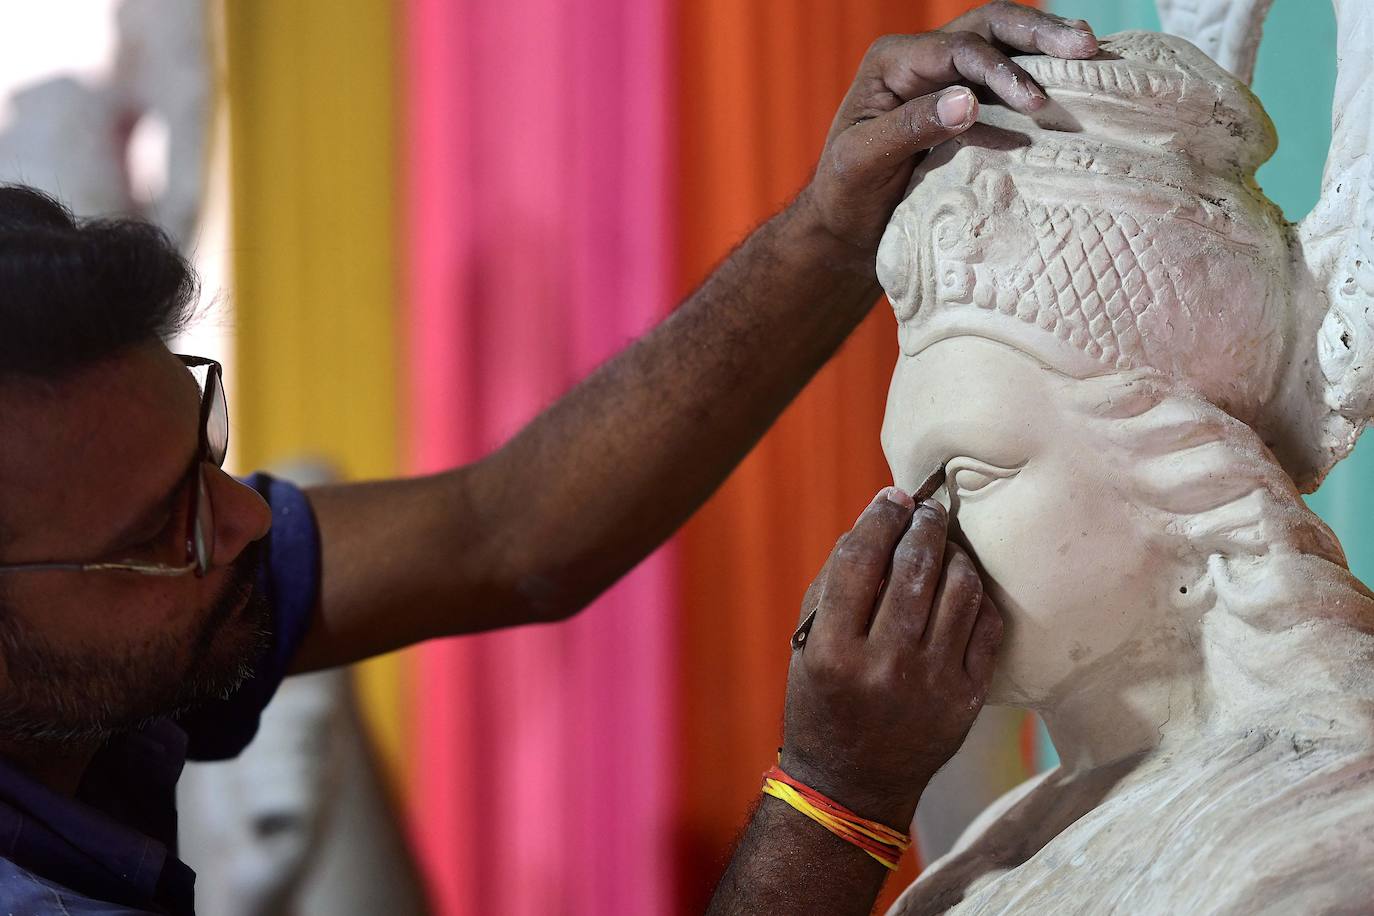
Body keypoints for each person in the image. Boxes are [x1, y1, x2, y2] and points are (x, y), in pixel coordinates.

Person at [0, 3, 1098, 912]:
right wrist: (838, 793)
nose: (246, 519)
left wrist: (832, 220)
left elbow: (507, 532)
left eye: (206, 451)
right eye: (165, 532)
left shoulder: (101, 599)